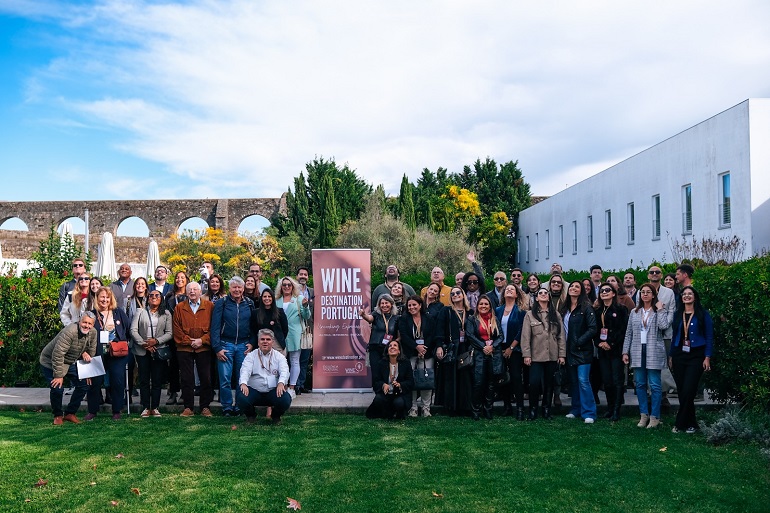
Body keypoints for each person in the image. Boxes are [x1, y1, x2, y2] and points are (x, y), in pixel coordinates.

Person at [622, 283, 671, 429]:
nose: (645, 294)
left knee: (655, 385)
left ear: (653, 295)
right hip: (637, 350)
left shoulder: (658, 311)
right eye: (642, 292)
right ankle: (644, 415)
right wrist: (625, 351)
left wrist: (661, 309)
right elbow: (629, 332)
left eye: (648, 292)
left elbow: (664, 326)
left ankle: (655, 416)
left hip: (653, 350)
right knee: (640, 384)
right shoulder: (635, 312)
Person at [669, 286, 713, 434]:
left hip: (697, 355)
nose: (687, 296)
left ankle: (679, 423)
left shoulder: (703, 314)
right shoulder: (677, 314)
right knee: (682, 391)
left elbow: (709, 336)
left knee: (689, 389)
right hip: (679, 355)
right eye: (684, 294)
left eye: (690, 294)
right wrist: (671, 355)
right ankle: (692, 423)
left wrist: (707, 357)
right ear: (681, 297)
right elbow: (675, 336)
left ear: (695, 297)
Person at [39, 313, 97, 425]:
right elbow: (58, 354)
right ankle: (58, 415)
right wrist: (58, 375)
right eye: (84, 322)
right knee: (57, 388)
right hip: (50, 361)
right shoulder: (70, 331)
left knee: (84, 384)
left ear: (93, 325)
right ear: (80, 321)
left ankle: (70, 413)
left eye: (90, 323)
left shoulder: (93, 333)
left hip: (69, 362)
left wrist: (88, 371)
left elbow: (91, 352)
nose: (86, 325)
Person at [211, 276, 256, 416]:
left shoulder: (249, 303)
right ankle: (227, 407)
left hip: (243, 345)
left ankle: (239, 405)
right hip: (226, 345)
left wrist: (252, 343)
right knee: (225, 378)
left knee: (241, 378)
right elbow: (215, 327)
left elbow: (254, 326)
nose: (237, 290)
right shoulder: (222, 303)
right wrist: (217, 348)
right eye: (234, 287)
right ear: (229, 288)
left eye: (239, 287)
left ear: (243, 288)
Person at [86, 287, 131, 421]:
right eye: (102, 297)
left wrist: (124, 342)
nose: (105, 300)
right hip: (96, 353)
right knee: (95, 382)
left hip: (117, 352)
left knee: (117, 381)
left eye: (107, 297)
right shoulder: (91, 314)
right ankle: (92, 411)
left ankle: (117, 410)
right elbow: (84, 332)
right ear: (97, 298)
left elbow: (128, 330)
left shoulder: (119, 313)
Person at [521, 287, 566, 420]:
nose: (543, 295)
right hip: (535, 356)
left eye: (545, 293)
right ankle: (533, 410)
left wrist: (562, 354)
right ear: (536, 298)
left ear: (549, 297)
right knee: (534, 383)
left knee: (549, 384)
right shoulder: (530, 314)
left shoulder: (556, 314)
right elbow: (525, 337)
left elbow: (561, 336)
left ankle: (547, 409)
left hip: (552, 355)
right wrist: (526, 355)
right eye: (540, 293)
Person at [173, 281, 214, 417]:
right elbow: (176, 328)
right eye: (189, 289)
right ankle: (188, 407)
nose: (192, 292)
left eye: (195, 289)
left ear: (200, 291)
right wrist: (189, 341)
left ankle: (205, 407)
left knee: (206, 378)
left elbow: (214, 328)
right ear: (186, 292)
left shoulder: (209, 306)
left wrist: (202, 340)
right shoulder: (179, 307)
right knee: (186, 378)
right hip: (185, 348)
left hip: (204, 348)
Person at [130, 289, 173, 418]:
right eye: (151, 296)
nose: (154, 297)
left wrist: (156, 341)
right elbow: (133, 330)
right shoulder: (140, 312)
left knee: (157, 380)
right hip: (142, 350)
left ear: (161, 299)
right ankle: (145, 407)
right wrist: (144, 344)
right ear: (148, 299)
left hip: (158, 350)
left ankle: (154, 407)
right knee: (143, 379)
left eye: (157, 295)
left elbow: (169, 333)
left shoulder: (166, 314)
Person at [237, 329, 293, 425]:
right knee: (241, 397)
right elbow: (245, 371)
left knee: (285, 399)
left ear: (273, 342)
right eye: (262, 339)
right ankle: (251, 416)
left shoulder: (279, 357)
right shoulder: (251, 356)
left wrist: (281, 383)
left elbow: (285, 371)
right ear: (258, 342)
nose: (265, 342)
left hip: (273, 391)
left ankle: (276, 416)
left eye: (268, 339)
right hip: (254, 390)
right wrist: (243, 383)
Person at [561, 281, 598, 424]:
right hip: (568, 350)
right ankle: (576, 409)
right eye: (571, 286)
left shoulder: (586, 307)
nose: (573, 288)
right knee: (574, 382)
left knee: (583, 381)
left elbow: (593, 328)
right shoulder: (565, 308)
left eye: (577, 287)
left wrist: (578, 341)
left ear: (581, 290)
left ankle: (589, 412)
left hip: (583, 350)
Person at [433, 287, 474, 416]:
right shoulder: (446, 311)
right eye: (452, 294)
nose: (455, 295)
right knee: (451, 377)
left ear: (463, 295)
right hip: (452, 348)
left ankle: (466, 407)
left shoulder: (470, 312)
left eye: (458, 293)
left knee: (465, 378)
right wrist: (439, 346)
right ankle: (451, 407)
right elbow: (439, 330)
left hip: (466, 347)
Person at [595, 282, 629, 422]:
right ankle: (609, 408)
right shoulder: (597, 311)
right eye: (602, 290)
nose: (604, 292)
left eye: (607, 290)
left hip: (616, 350)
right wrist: (600, 343)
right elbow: (594, 330)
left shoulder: (621, 309)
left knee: (617, 379)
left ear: (613, 293)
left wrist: (611, 343)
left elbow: (623, 329)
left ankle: (617, 409)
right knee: (607, 380)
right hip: (602, 350)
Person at [398, 295, 435, 418]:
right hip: (410, 353)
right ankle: (413, 408)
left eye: (414, 305)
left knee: (426, 380)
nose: (411, 307)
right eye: (409, 305)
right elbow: (404, 336)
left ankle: (426, 408)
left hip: (427, 353)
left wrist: (424, 348)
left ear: (420, 305)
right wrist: (416, 347)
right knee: (411, 381)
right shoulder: (403, 319)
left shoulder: (428, 318)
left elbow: (432, 335)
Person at [469, 295, 504, 420]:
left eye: (486, 304)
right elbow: (470, 335)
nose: (483, 306)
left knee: (491, 383)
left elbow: (500, 336)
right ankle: (476, 410)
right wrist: (484, 346)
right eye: (481, 304)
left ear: (490, 306)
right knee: (478, 383)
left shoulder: (494, 319)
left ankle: (488, 409)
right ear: (477, 306)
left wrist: (492, 347)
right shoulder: (472, 319)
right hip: (479, 354)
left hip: (493, 355)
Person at [276, 276, 311, 397]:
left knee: (295, 361)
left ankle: (292, 387)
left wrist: (306, 307)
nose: (286, 287)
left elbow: (306, 316)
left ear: (293, 287)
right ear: (281, 287)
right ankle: (282, 386)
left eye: (289, 285)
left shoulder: (299, 298)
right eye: (284, 285)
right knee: (280, 361)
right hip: (279, 334)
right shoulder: (277, 300)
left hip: (295, 333)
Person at [496, 284, 528, 419]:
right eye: (507, 289)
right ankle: (507, 406)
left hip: (515, 349)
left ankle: (520, 408)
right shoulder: (497, 310)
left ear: (516, 295)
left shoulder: (521, 311)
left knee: (515, 378)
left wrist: (511, 347)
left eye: (512, 289)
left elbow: (522, 331)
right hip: (500, 348)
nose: (509, 290)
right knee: (503, 378)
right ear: (503, 294)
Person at [365, 340, 414, 420]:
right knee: (378, 399)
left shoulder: (406, 363)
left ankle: (398, 414)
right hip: (386, 395)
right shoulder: (381, 363)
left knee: (399, 403)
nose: (392, 347)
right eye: (390, 346)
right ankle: (386, 413)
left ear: (399, 351)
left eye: (395, 345)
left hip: (399, 395)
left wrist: (400, 385)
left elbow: (411, 382)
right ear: (387, 352)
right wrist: (383, 385)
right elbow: (376, 382)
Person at [360, 294, 400, 388]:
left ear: (391, 304)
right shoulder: (376, 314)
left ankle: (389, 390)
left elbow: (399, 335)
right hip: (375, 348)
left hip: (389, 350)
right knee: (376, 371)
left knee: (388, 370)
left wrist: (395, 344)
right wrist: (363, 314)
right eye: (382, 303)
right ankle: (378, 392)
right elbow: (369, 318)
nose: (384, 305)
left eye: (386, 303)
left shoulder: (396, 318)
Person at [164, 270, 189, 405]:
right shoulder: (169, 296)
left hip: (187, 335)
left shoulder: (190, 294)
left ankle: (185, 394)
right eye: (177, 277)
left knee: (185, 366)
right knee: (172, 366)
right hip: (172, 335)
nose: (179, 279)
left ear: (186, 280)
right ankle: (173, 392)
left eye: (182, 277)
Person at [251, 288, 289, 353]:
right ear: (261, 298)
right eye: (265, 296)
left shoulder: (280, 312)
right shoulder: (255, 313)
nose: (267, 298)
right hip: (261, 346)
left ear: (273, 298)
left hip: (278, 347)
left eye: (269, 296)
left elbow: (285, 330)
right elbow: (253, 330)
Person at [296, 266, 314, 394]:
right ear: (297, 276)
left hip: (308, 330)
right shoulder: (291, 291)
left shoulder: (313, 292)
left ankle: (301, 384)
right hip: (294, 329)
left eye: (305, 274)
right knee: (293, 358)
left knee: (304, 359)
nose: (303, 276)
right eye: (301, 274)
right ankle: (293, 385)